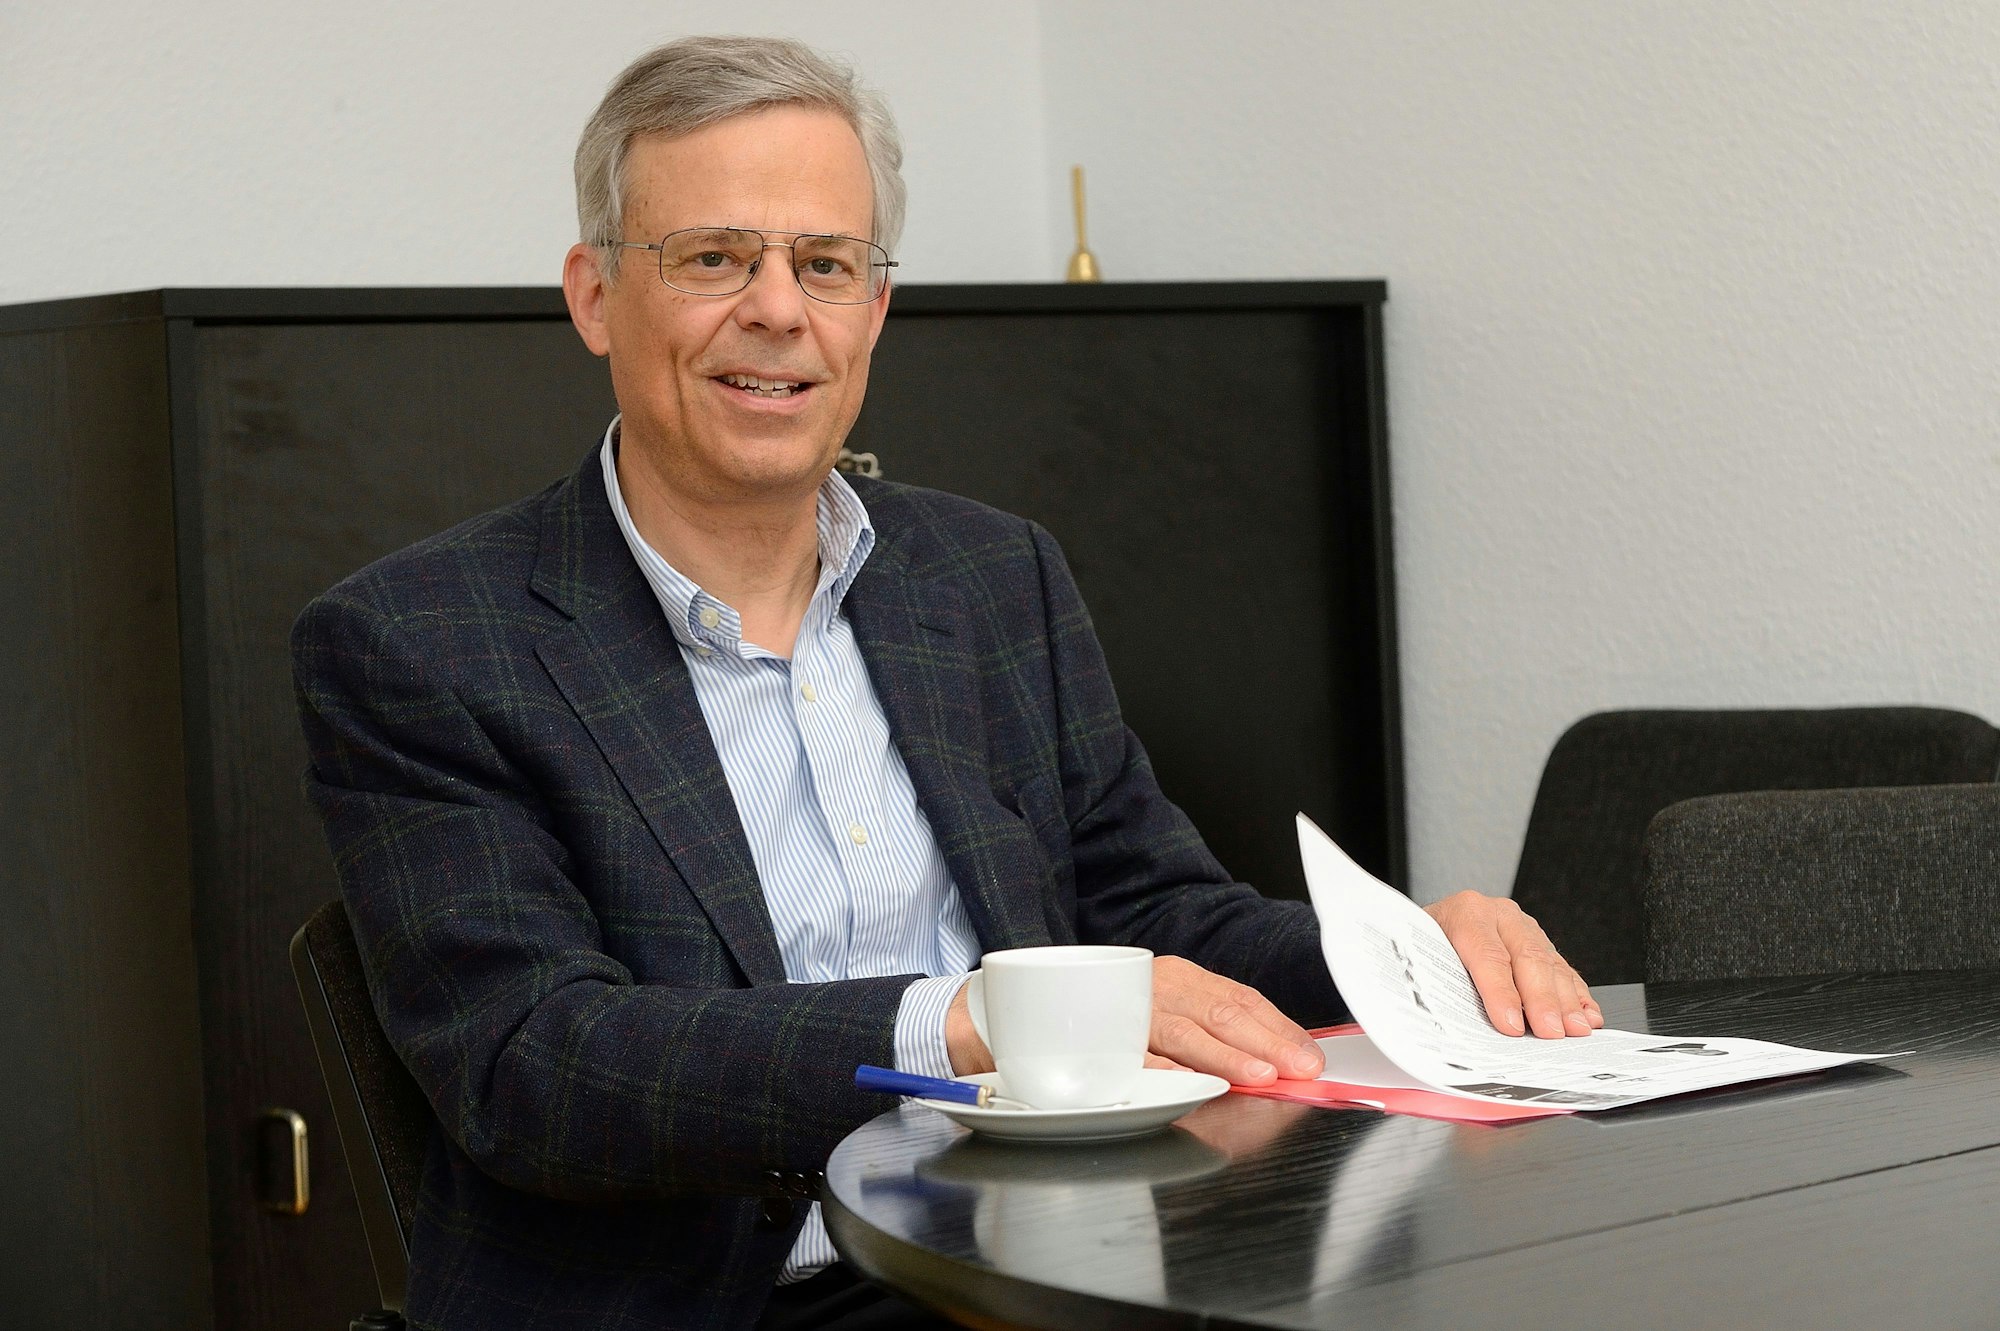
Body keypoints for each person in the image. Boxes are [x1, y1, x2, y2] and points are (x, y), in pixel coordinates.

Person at [292, 35, 1601, 1331]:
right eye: (714, 257)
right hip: (710, 1304)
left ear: (874, 308)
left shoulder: (989, 575)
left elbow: (1156, 917)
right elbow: (537, 1068)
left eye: (825, 263)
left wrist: (1397, 960)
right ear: (594, 296)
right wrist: (972, 1021)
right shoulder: (422, 640)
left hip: (1046, 1266)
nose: (778, 310)